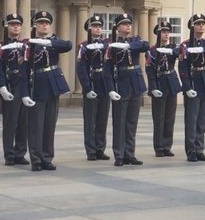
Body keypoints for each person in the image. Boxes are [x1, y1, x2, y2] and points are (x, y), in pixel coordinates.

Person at [24, 10, 72, 172]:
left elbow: (68, 45)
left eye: (47, 23)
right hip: (37, 84)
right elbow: (24, 69)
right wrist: (24, 92)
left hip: (53, 85)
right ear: (35, 25)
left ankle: (47, 157)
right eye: (41, 23)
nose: (44, 25)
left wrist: (48, 43)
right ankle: (36, 159)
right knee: (36, 125)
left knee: (50, 125)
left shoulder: (54, 41)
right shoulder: (28, 43)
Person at [104, 13, 149, 166]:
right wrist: (110, 88)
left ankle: (130, 153)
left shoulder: (135, 40)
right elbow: (107, 69)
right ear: (117, 27)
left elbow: (145, 45)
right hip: (121, 83)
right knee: (120, 122)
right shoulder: (111, 45)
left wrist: (128, 45)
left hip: (135, 83)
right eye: (124, 24)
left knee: (132, 122)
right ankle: (119, 154)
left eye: (129, 23)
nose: (128, 26)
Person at [178, 13, 205, 162]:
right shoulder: (185, 45)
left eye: (203, 23)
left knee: (202, 119)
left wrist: (200, 49)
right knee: (192, 118)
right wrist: (187, 86)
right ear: (192, 26)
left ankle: (200, 148)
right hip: (193, 81)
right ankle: (191, 150)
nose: (201, 26)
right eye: (198, 23)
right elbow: (182, 67)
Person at [0, 13, 30, 166]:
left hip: (24, 85)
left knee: (24, 121)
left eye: (18, 24)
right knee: (10, 122)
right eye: (12, 24)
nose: (16, 27)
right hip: (11, 84)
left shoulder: (26, 45)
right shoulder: (1, 45)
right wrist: (1, 86)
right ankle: (9, 154)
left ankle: (20, 152)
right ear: (7, 27)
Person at [76, 15, 111, 161]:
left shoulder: (106, 44)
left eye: (99, 26)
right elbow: (81, 68)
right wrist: (86, 87)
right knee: (90, 119)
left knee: (102, 118)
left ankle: (100, 148)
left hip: (104, 82)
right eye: (95, 26)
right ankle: (90, 150)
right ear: (88, 29)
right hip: (92, 81)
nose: (98, 28)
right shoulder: (83, 46)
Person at [146, 21, 181, 157]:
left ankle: (167, 146)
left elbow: (179, 52)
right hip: (160, 82)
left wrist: (170, 50)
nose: (166, 34)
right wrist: (153, 87)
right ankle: (159, 146)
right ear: (158, 34)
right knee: (159, 117)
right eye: (163, 32)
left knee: (170, 118)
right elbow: (150, 70)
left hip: (171, 82)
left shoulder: (173, 48)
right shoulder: (152, 50)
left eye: (167, 32)